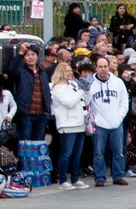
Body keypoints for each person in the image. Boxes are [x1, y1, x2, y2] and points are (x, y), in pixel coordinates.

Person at [88, 50, 130, 186]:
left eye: (105, 66)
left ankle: (118, 175)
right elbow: (87, 102)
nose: (103, 69)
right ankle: (100, 176)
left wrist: (119, 117)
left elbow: (125, 102)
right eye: (100, 67)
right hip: (99, 124)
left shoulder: (118, 82)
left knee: (119, 152)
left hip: (116, 123)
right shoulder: (91, 84)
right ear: (96, 67)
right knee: (98, 153)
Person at [49, 58, 88, 187]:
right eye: (66, 71)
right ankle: (63, 179)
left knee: (77, 154)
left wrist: (86, 90)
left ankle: (75, 178)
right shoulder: (57, 88)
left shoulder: (73, 85)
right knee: (66, 153)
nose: (70, 73)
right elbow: (69, 103)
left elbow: (84, 102)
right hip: (67, 124)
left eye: (70, 70)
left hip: (79, 123)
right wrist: (81, 91)